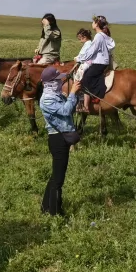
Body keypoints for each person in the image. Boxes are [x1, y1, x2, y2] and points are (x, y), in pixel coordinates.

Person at [37, 65, 79, 216]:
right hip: (57, 139)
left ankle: (46, 207)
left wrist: (74, 95)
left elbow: (69, 107)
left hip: (60, 137)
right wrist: (73, 92)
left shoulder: (56, 95)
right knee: (58, 179)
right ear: (50, 83)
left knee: (56, 175)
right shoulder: (47, 99)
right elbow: (65, 110)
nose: (60, 82)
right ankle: (55, 213)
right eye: (57, 80)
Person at [74, 15, 114, 100]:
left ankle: (92, 98)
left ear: (96, 24)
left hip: (99, 63)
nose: (92, 23)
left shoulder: (98, 36)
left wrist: (80, 59)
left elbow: (91, 51)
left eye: (93, 22)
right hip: (103, 62)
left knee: (86, 78)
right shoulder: (103, 35)